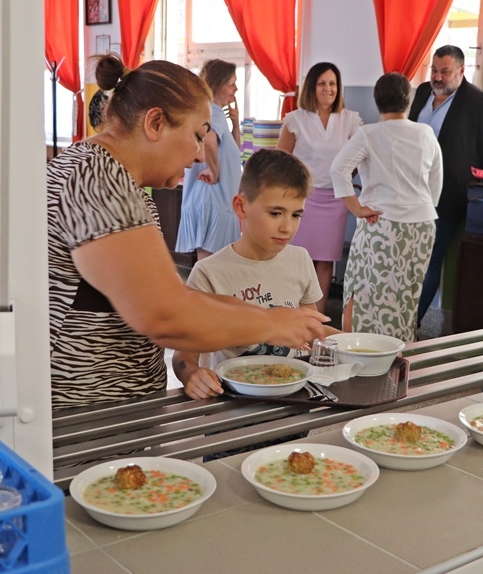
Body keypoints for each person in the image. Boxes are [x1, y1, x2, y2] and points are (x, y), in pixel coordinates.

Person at [47, 54, 328, 410]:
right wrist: (269, 325)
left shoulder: (107, 176)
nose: (198, 156)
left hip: (112, 402)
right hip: (86, 404)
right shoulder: (100, 181)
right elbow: (164, 314)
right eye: (197, 136)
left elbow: (162, 293)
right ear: (155, 123)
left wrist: (267, 315)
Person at [173, 149, 340, 400]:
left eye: (296, 215)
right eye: (275, 213)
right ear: (241, 206)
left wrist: (367, 346)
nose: (287, 227)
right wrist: (191, 375)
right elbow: (184, 355)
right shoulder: (209, 272)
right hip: (230, 403)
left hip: (292, 398)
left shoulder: (300, 259)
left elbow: (312, 331)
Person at [331, 73, 442, 343]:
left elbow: (338, 169)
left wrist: (357, 209)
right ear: (409, 99)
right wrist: (421, 209)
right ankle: (399, 361)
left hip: (382, 224)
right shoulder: (426, 132)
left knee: (362, 289)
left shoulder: (368, 134)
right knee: (405, 300)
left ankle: (356, 352)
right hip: (422, 226)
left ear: (377, 100)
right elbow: (436, 180)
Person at [410, 45, 483, 327]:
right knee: (407, 260)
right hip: (411, 194)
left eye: (445, 72)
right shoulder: (421, 94)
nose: (438, 78)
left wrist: (477, 198)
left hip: (449, 200)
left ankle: (408, 323)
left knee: (429, 259)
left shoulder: (481, 104)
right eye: (434, 71)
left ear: (462, 71)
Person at [276, 62, 362, 313]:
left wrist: (343, 178)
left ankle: (317, 319)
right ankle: (292, 313)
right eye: (322, 83)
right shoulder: (295, 120)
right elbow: (281, 161)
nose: (328, 89)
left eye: (333, 83)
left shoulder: (350, 120)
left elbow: (357, 159)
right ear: (312, 87)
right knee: (297, 259)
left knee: (325, 262)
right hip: (302, 200)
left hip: (336, 201)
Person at [176, 59, 243, 260]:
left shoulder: (212, 112)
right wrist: (213, 172)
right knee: (209, 267)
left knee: (209, 266)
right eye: (231, 84)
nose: (236, 89)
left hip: (213, 200)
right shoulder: (213, 111)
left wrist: (236, 125)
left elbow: (232, 151)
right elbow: (209, 139)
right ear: (218, 85)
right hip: (214, 200)